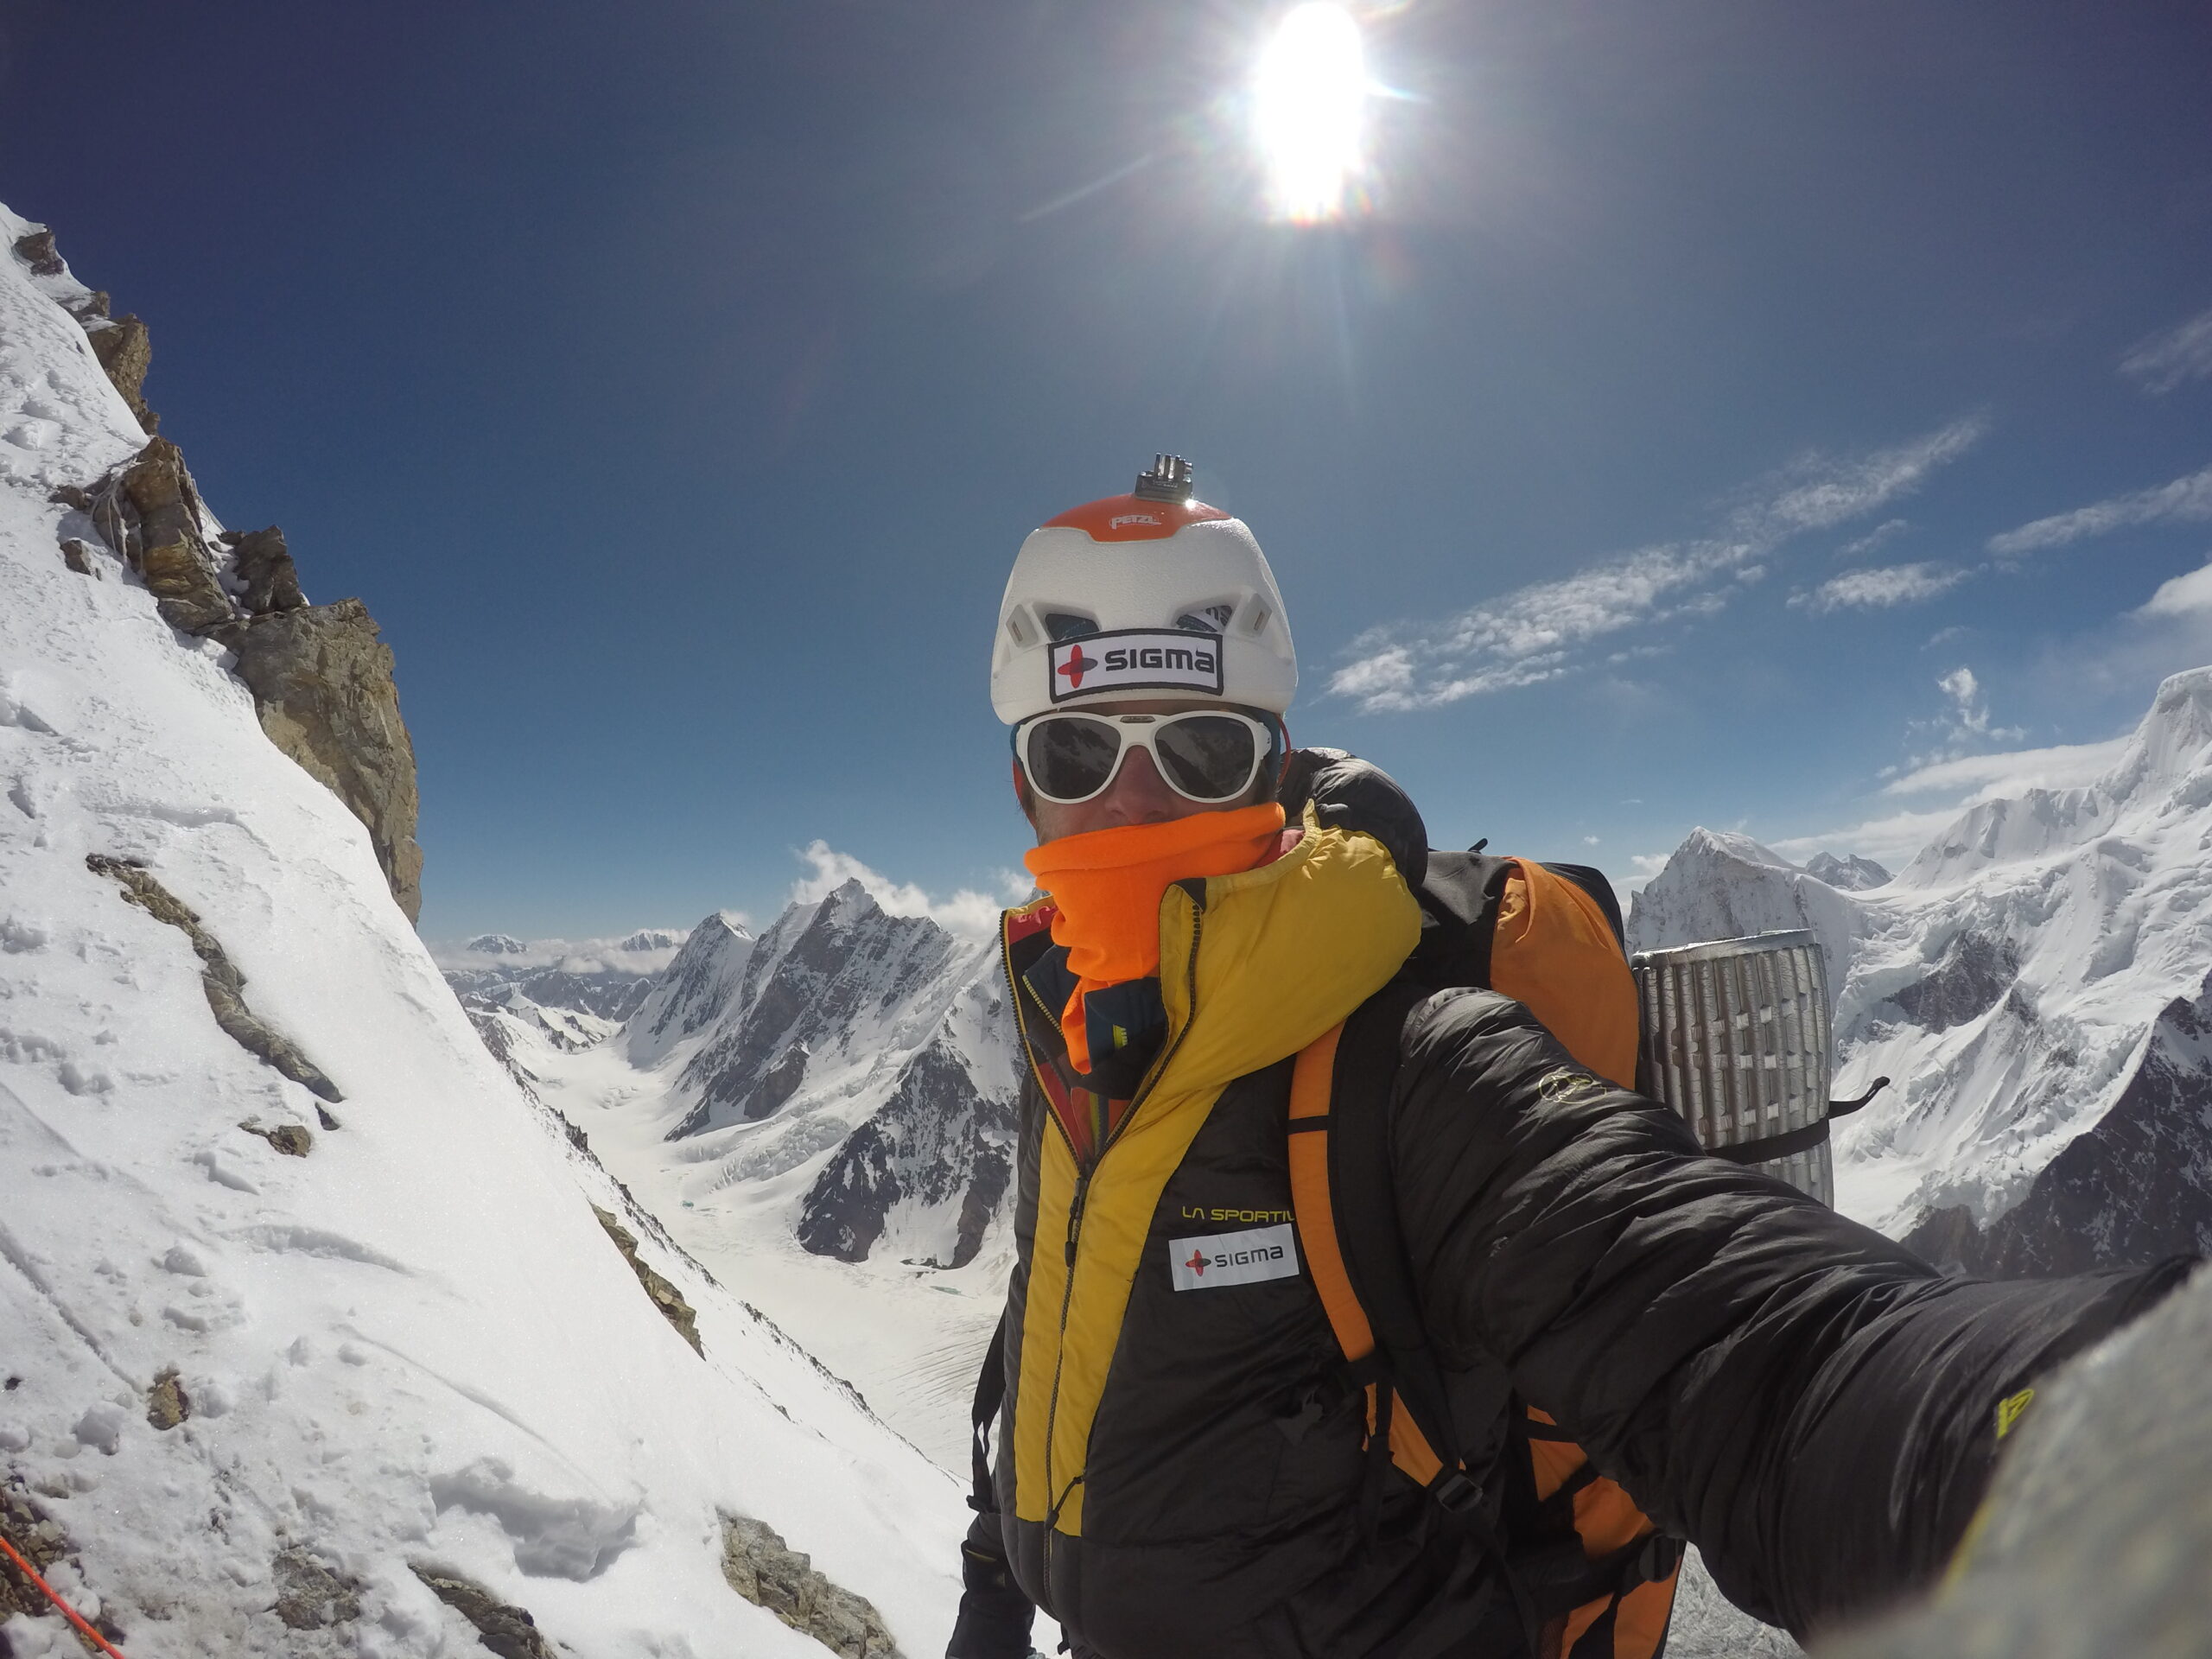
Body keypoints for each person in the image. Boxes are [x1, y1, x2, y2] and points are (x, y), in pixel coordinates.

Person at [945, 457, 2193, 1659]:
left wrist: (2074, 1448)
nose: (1135, 805)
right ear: (1023, 787)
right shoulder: (1074, 1028)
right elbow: (1056, 1313)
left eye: (1200, 752)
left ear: (1269, 770)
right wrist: (995, 1583)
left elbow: (1749, 1340)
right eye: (1079, 753)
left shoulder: (1412, 1069)